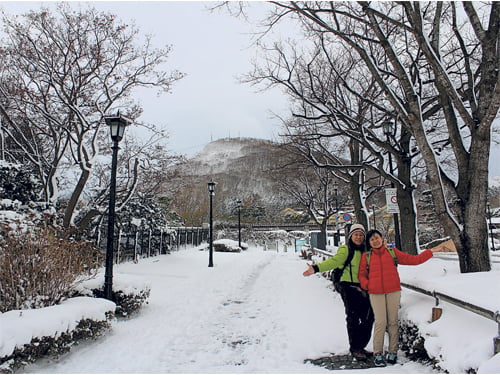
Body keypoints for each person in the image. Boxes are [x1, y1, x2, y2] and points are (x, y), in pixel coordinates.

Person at [358, 229, 441, 367]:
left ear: (382, 238)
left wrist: (430, 252)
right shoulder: (366, 256)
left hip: (393, 291)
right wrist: (368, 285)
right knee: (380, 322)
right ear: (369, 243)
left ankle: (393, 351)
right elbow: (361, 275)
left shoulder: (392, 253)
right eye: (371, 240)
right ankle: (377, 353)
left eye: (376, 238)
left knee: (392, 322)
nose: (375, 241)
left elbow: (414, 260)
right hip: (375, 293)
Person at [303, 224, 374, 361]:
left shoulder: (366, 250)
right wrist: (316, 268)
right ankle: (355, 348)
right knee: (353, 317)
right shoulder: (345, 249)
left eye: (361, 235)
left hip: (363, 287)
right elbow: (334, 262)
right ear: (350, 236)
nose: (358, 237)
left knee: (368, 317)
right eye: (356, 235)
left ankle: (360, 345)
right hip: (347, 285)